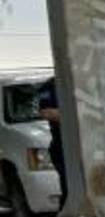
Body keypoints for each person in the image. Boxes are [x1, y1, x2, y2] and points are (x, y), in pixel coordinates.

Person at [36, 80, 67, 209]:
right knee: (69, 187)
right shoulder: (50, 86)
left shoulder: (93, 80)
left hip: (94, 145)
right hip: (63, 146)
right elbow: (46, 111)